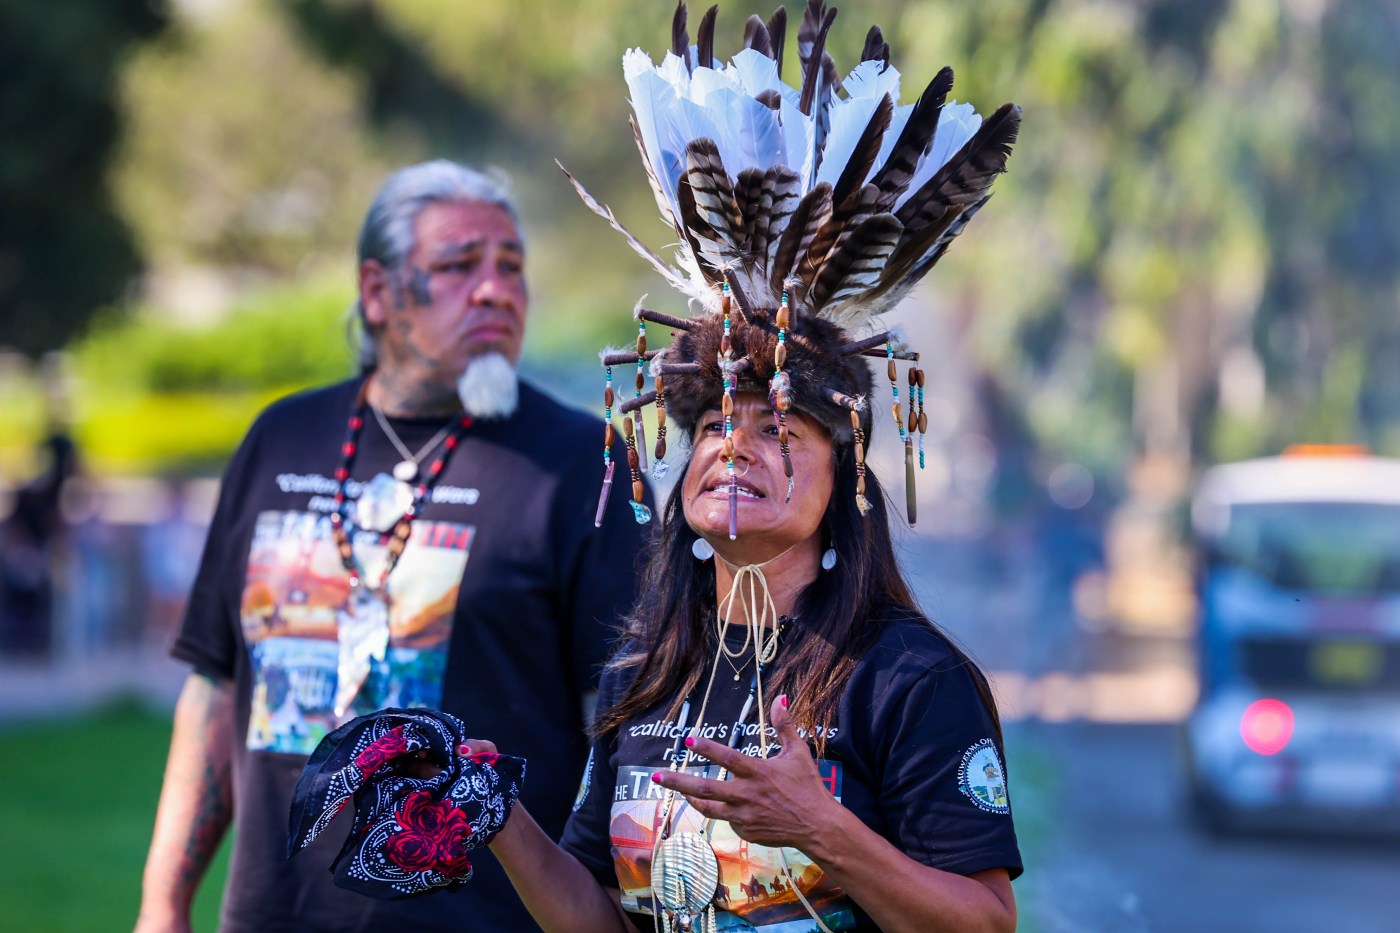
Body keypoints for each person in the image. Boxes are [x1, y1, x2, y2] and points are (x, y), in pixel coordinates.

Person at [421, 4, 1025, 930]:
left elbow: (985, 922)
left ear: (847, 477)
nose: (733, 446)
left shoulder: (907, 676)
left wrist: (821, 827)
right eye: (710, 426)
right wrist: (498, 817)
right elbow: (601, 919)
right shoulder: (650, 673)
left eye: (778, 429)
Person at [136, 160, 650, 932]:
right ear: (378, 292)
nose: (495, 289)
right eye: (457, 265)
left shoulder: (584, 461)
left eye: (511, 266)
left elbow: (620, 725)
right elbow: (215, 691)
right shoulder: (282, 439)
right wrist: (164, 902)